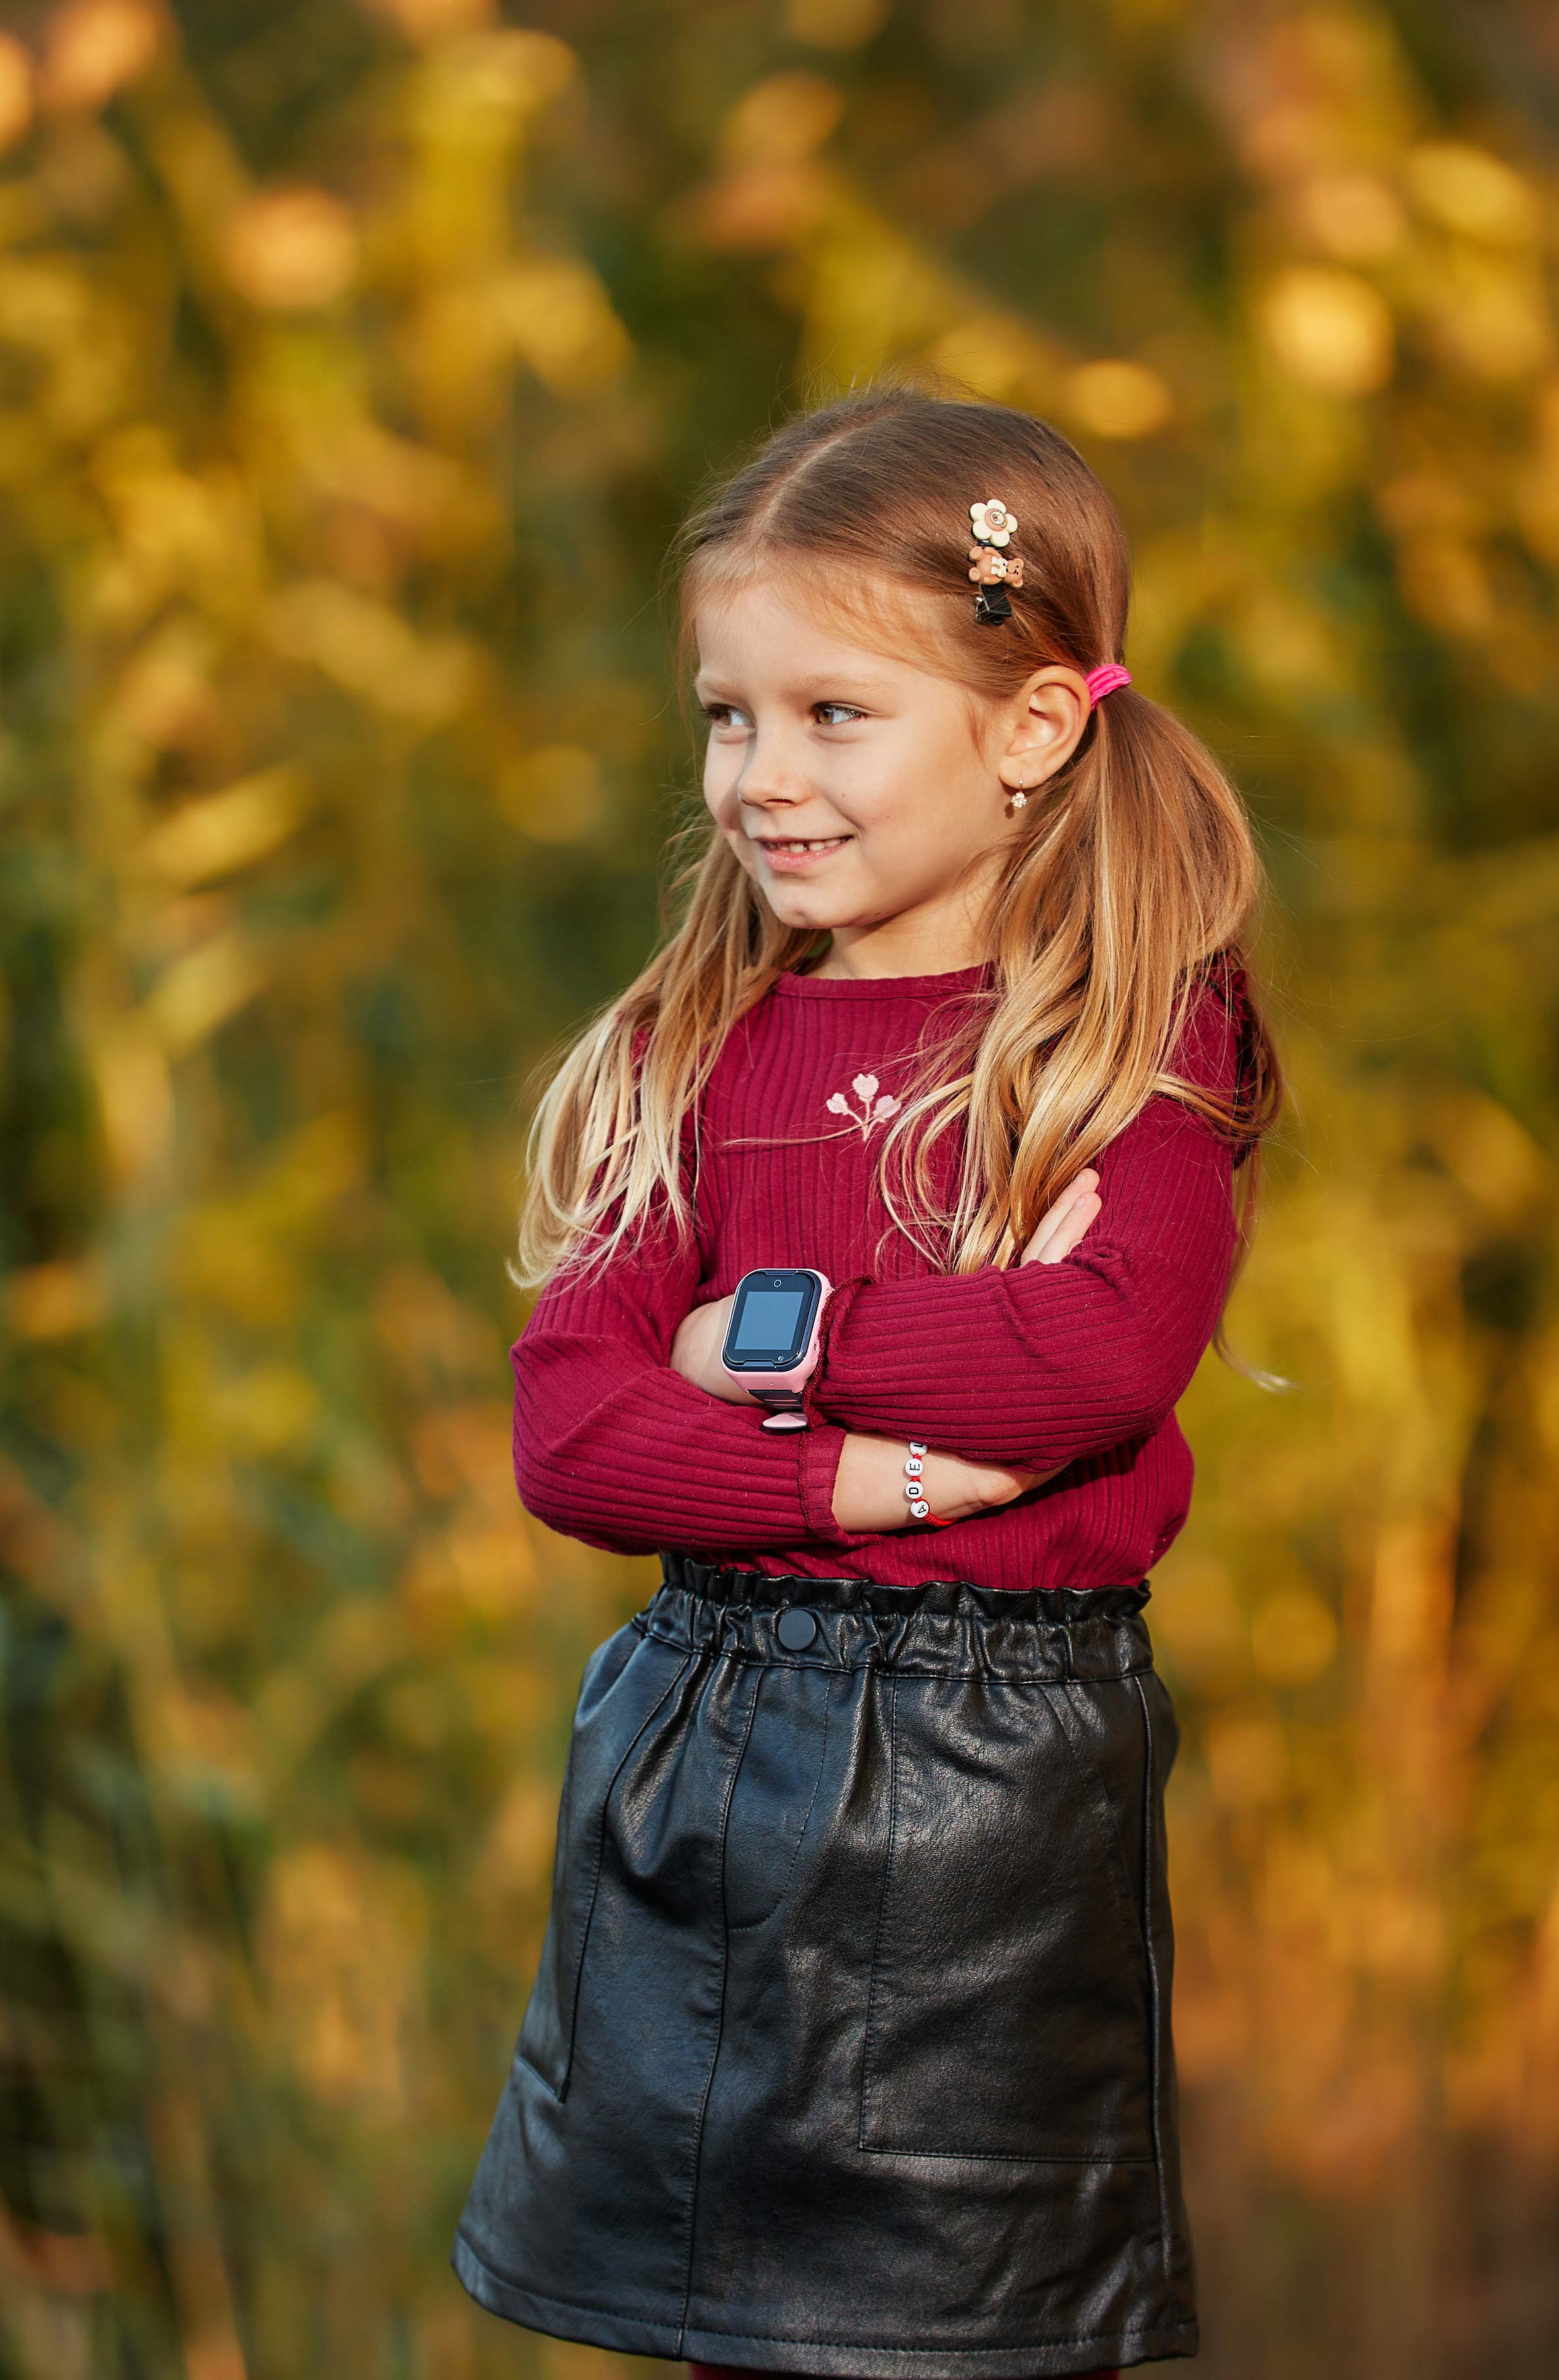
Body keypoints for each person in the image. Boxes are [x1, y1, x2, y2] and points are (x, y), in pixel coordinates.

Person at [450, 383, 1283, 2380]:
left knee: (962, 2337)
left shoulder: (1127, 1038)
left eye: (836, 714)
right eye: (730, 715)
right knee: (710, 2330)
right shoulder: (686, 1044)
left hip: (982, 1789)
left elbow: (1092, 1356)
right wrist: (862, 1484)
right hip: (693, 1746)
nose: (759, 774)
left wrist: (764, 1344)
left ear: (1028, 731)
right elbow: (571, 1427)